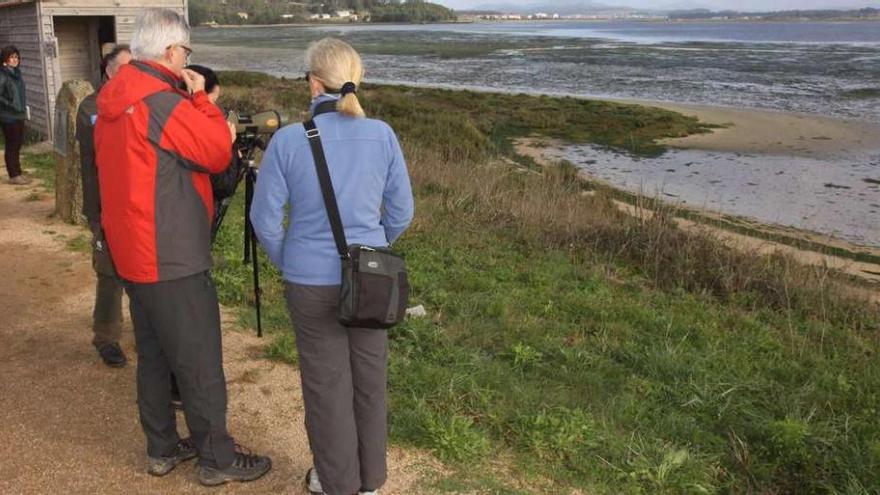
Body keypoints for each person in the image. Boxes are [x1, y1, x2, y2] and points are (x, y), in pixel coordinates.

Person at [94, 9, 271, 486]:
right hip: (169, 253)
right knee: (198, 361)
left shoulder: (114, 98)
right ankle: (219, 459)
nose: (187, 60)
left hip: (132, 250)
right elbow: (215, 151)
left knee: (155, 355)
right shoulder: (161, 102)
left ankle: (162, 448)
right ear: (172, 51)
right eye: (186, 52)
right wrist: (202, 100)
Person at [250, 38, 414, 495]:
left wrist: (292, 260)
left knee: (326, 386)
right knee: (370, 380)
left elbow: (264, 218)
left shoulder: (286, 140)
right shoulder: (382, 134)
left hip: (310, 281)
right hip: (373, 280)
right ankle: (371, 483)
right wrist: (373, 254)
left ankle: (336, 483)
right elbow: (401, 211)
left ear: (313, 82)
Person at [76, 44, 133, 367]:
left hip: (134, 203)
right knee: (109, 272)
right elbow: (103, 136)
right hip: (103, 205)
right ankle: (106, 337)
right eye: (124, 67)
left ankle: (148, 330)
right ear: (108, 70)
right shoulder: (90, 107)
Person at [0, 45, 30, 185]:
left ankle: (18, 172)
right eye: (12, 57)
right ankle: (13, 175)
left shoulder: (17, 73)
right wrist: (11, 104)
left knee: (18, 144)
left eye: (16, 57)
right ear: (5, 59)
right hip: (8, 116)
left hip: (19, 115)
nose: (15, 59)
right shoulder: (3, 74)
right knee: (12, 145)